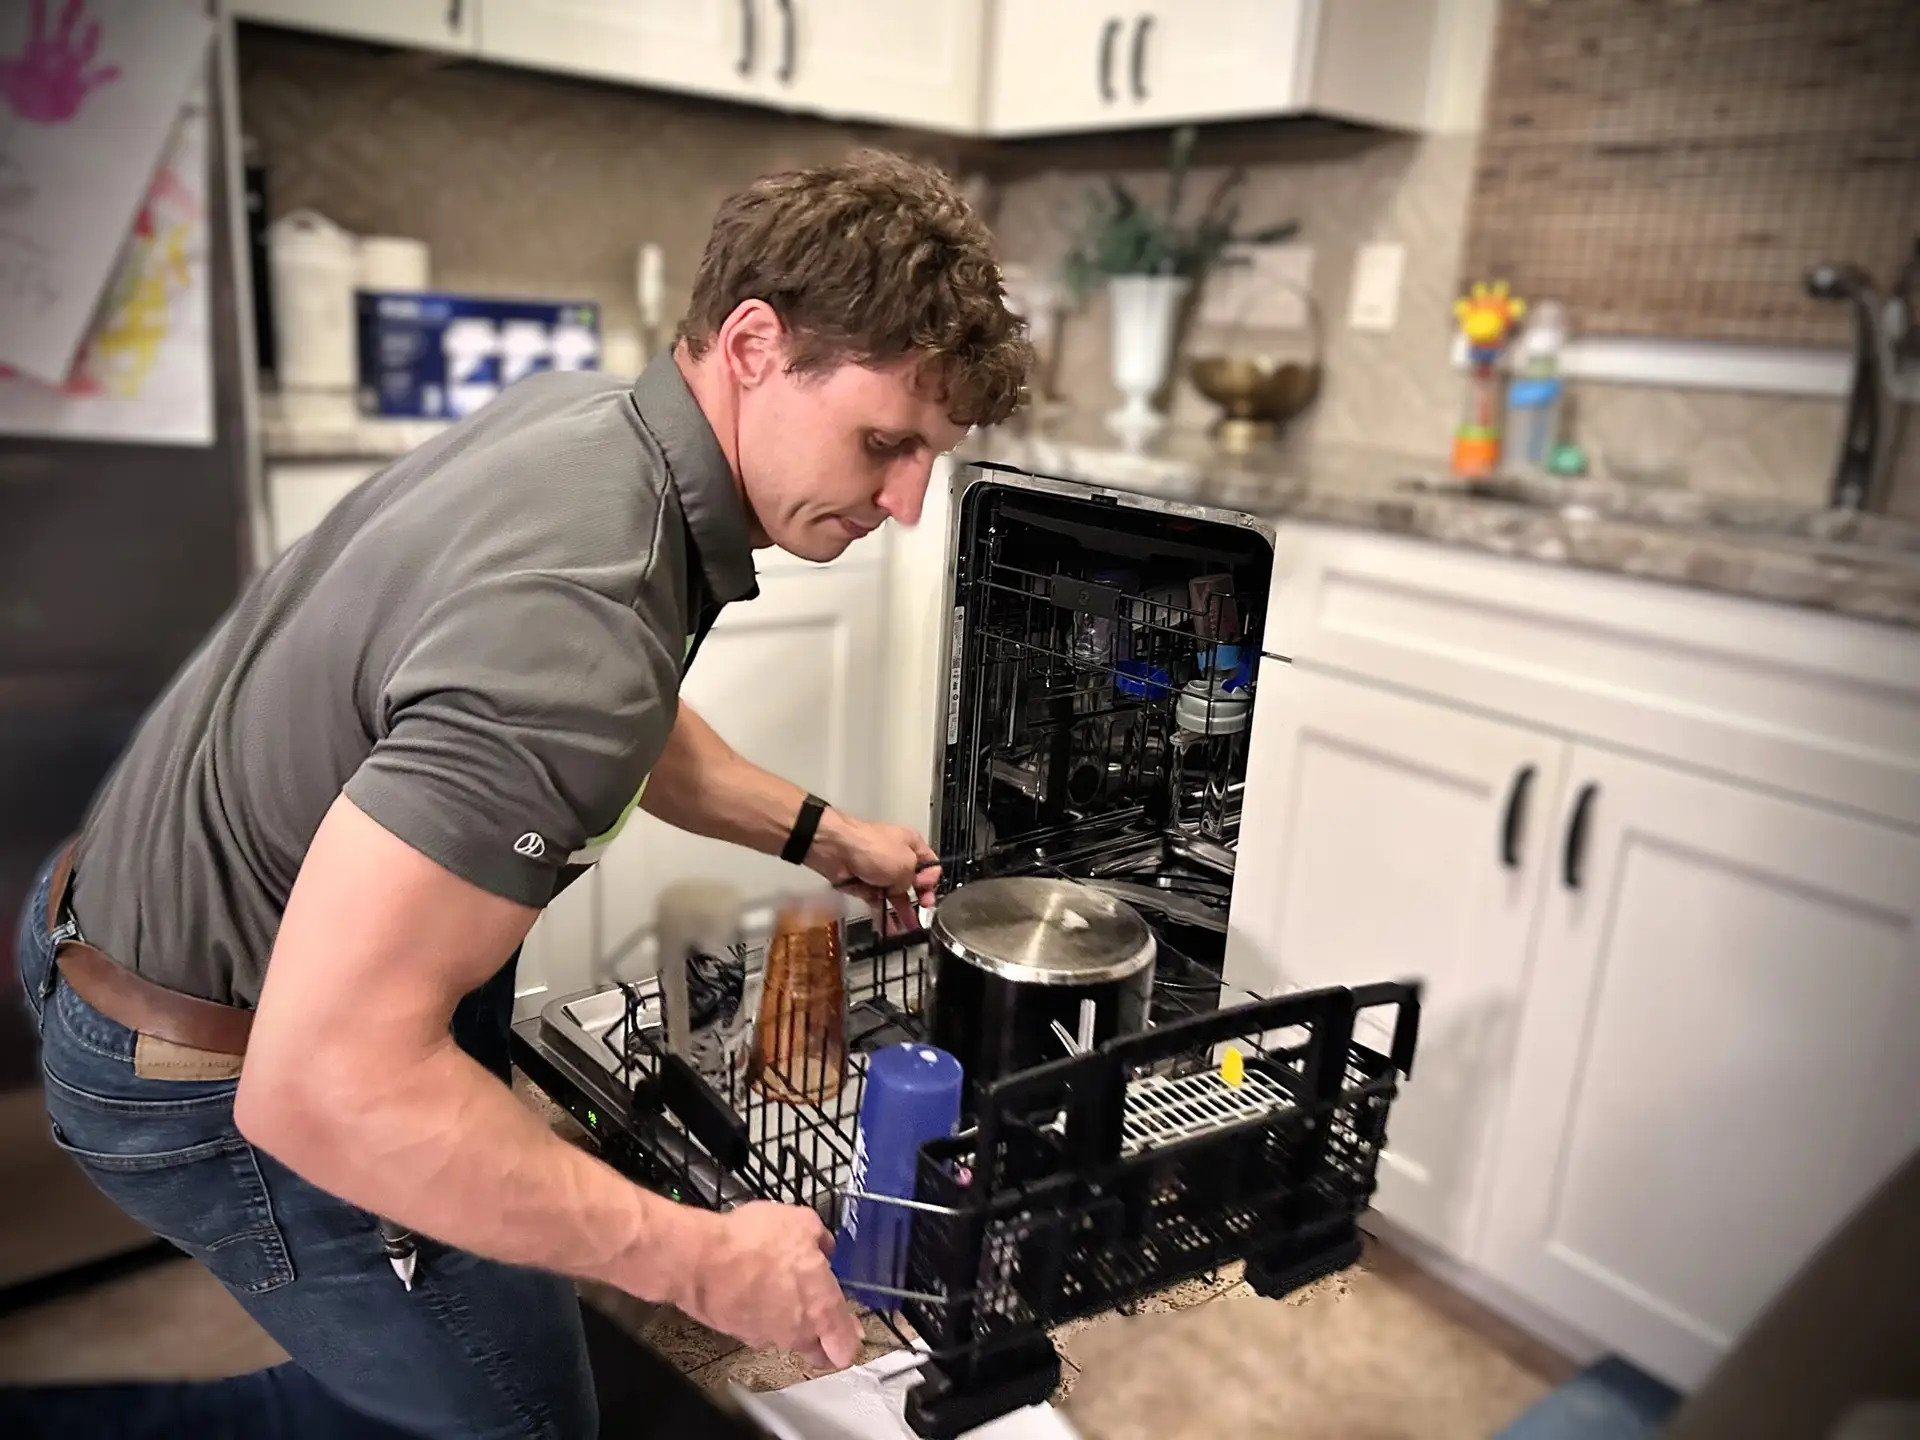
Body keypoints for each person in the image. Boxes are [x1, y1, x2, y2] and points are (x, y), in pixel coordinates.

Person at [7, 149, 1032, 1440]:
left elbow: (620, 719)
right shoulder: (590, 608)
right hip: (204, 1055)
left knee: (418, 1362)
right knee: (516, 1416)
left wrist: (823, 838)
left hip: (126, 916)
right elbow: (323, 1083)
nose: (905, 502)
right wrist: (700, 1259)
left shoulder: (603, 438)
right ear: (756, 344)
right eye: (887, 443)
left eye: (930, 457)